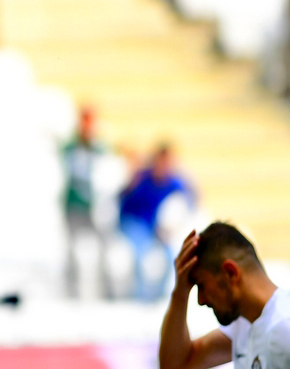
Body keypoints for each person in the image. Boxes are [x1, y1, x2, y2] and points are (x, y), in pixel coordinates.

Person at [159, 222, 290, 369]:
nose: (201, 300)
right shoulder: (245, 325)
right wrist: (180, 294)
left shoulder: (284, 327)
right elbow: (175, 365)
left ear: (230, 273)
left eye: (201, 285)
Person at [120, 143, 194, 301]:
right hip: (137, 225)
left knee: (171, 255)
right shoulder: (142, 178)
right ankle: (139, 295)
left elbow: (188, 201)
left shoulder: (174, 183)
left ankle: (160, 295)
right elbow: (125, 202)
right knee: (140, 256)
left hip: (157, 230)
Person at [61, 106, 111, 298]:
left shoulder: (101, 149)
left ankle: (106, 291)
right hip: (74, 207)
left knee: (104, 249)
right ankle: (71, 291)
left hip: (96, 209)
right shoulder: (69, 148)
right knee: (72, 251)